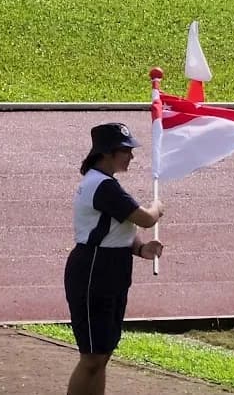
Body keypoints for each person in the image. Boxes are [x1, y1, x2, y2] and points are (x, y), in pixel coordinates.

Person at [64, 122, 164, 395]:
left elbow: (114, 229)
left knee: (103, 354)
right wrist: (157, 207)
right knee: (92, 358)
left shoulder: (105, 184)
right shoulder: (103, 186)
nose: (131, 156)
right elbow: (145, 218)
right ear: (107, 153)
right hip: (94, 272)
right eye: (126, 151)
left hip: (111, 270)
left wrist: (140, 249)